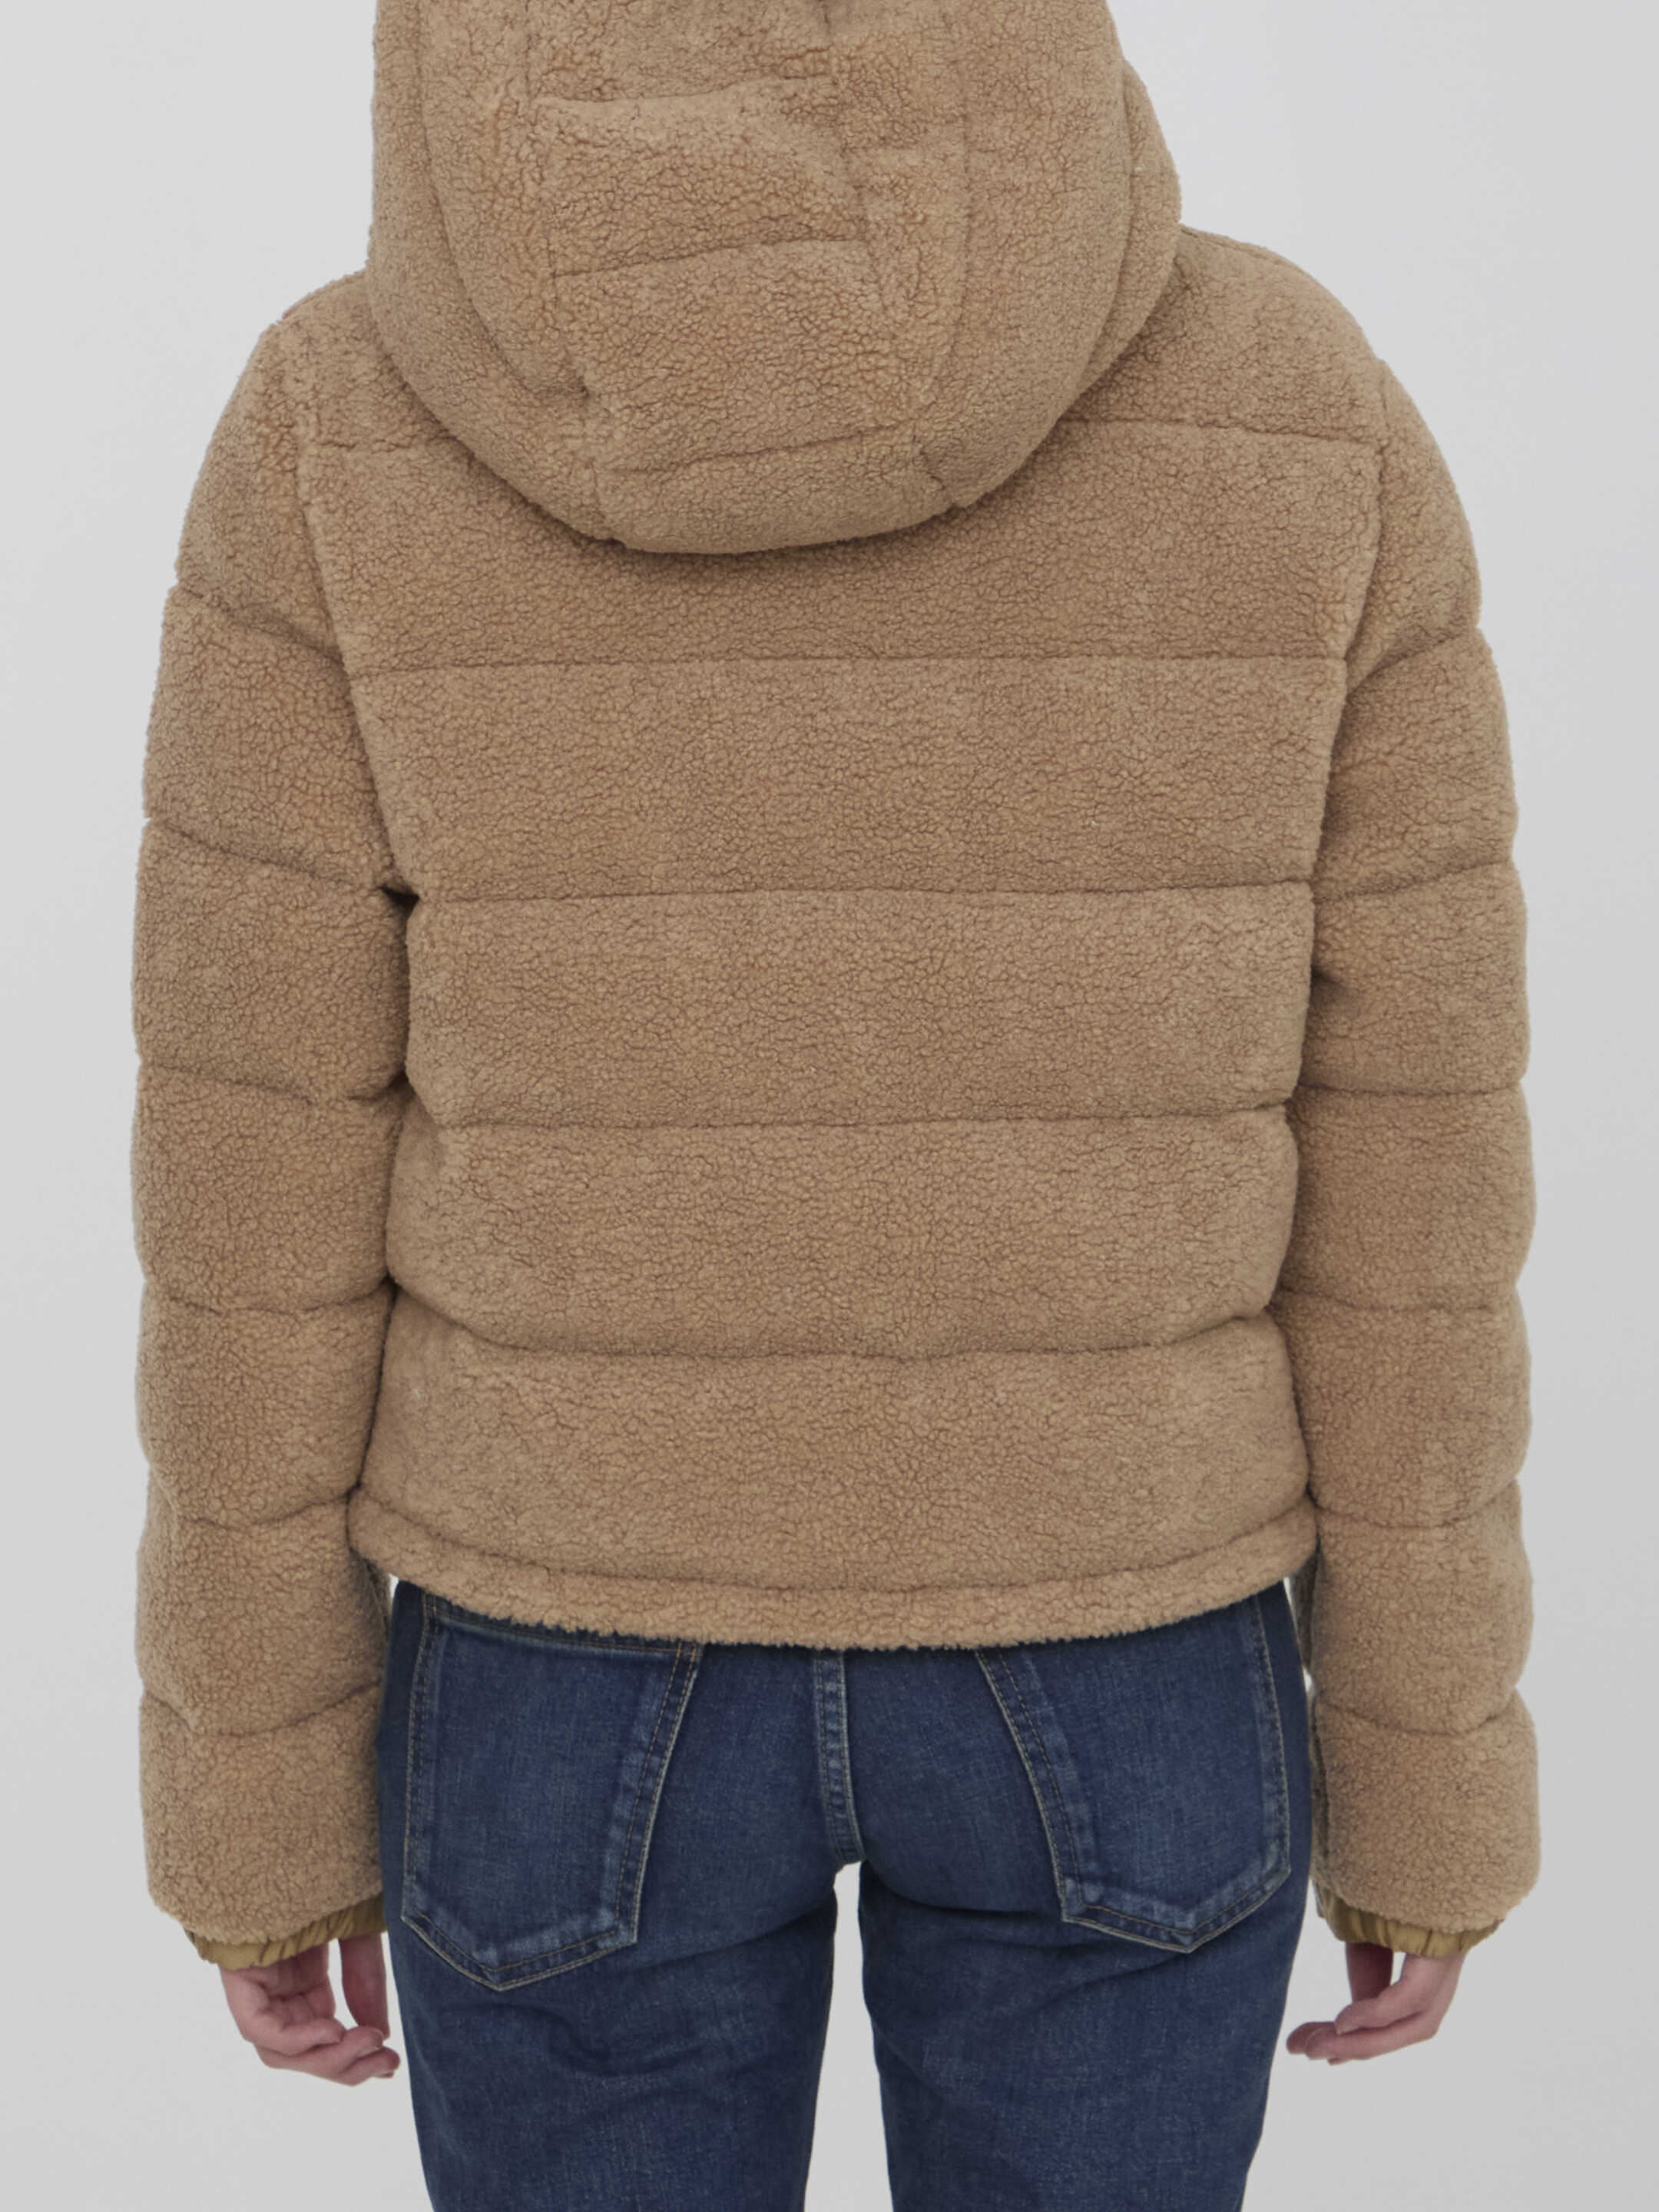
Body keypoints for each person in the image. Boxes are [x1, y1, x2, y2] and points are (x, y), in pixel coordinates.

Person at [130, 2, 1538, 2204]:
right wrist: (1435, 1767)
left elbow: (250, 1188)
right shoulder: (1295, 401)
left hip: (561, 1646)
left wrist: (251, 1794)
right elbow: (1417, 1176)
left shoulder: (339, 421)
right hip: (1125, 1624)